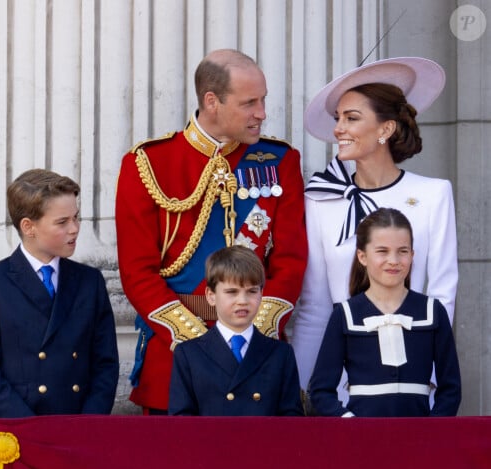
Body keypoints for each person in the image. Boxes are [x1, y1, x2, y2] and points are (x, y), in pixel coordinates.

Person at [116, 48, 307, 414]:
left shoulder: (280, 161)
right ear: (212, 101)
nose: (262, 113)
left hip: (257, 353)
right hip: (176, 354)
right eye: (249, 102)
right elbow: (136, 272)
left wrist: (253, 326)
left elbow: (292, 260)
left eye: (263, 100)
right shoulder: (148, 163)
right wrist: (199, 343)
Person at [291, 57, 458, 408]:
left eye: (352, 118)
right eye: (338, 118)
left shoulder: (433, 194)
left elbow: (442, 295)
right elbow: (315, 307)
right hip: (341, 388)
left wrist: (428, 381)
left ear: (386, 129)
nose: (338, 128)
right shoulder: (322, 199)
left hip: (412, 383)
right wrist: (305, 389)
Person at [0, 169, 119, 417]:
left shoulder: (90, 282)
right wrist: (27, 426)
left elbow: (105, 364)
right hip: (18, 429)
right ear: (29, 227)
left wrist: (89, 423)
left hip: (78, 428)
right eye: (62, 222)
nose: (75, 229)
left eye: (76, 218)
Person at [309, 208, 461, 417]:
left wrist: (431, 430)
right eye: (382, 251)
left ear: (413, 254)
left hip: (420, 442)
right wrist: (349, 423)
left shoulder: (433, 312)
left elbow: (451, 389)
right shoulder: (345, 314)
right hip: (361, 440)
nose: (394, 260)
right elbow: (320, 391)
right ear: (362, 256)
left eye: (403, 251)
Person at [168, 245, 303, 416]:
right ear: (211, 296)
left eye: (252, 291)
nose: (243, 301)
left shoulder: (281, 354)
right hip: (210, 442)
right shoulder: (188, 354)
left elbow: (292, 421)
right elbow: (182, 421)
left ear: (262, 293)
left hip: (264, 442)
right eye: (232, 292)